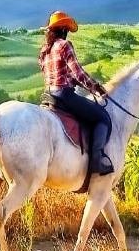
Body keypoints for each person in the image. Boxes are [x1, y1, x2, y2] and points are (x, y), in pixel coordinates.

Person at [39, 11, 114, 175]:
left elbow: (55, 75)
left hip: (48, 94)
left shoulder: (45, 49)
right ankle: (96, 162)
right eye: (67, 30)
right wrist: (95, 87)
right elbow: (78, 73)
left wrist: (71, 81)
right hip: (63, 95)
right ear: (64, 30)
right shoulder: (65, 46)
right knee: (102, 117)